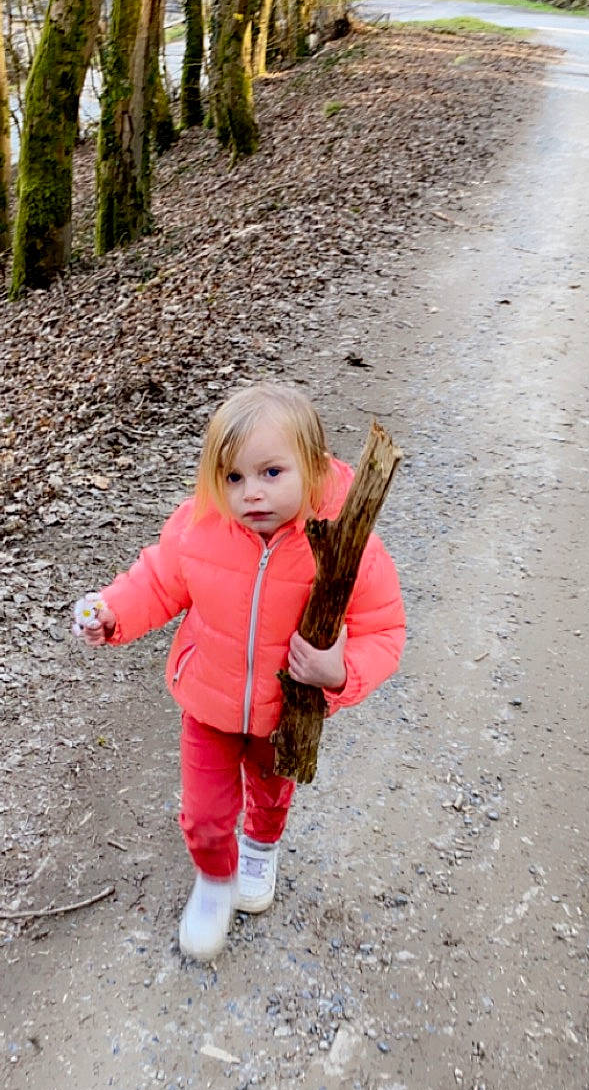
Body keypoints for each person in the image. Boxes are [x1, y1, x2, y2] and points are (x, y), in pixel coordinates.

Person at [72, 382, 405, 963]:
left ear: (313, 467)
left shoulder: (345, 545)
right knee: (204, 816)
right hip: (209, 703)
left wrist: (338, 672)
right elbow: (156, 582)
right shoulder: (200, 527)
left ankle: (260, 849)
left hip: (284, 715)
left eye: (271, 472)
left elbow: (384, 630)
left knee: (270, 797)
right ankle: (214, 879)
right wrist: (113, 613)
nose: (251, 492)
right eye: (233, 477)